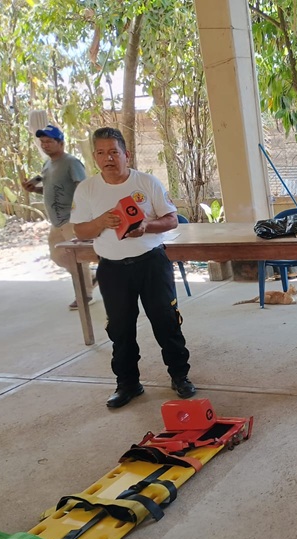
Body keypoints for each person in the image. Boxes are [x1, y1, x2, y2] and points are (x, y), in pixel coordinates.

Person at [71, 127, 196, 408]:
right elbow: (80, 230)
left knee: (166, 322)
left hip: (151, 264)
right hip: (112, 270)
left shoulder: (147, 182)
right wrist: (101, 222)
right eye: (101, 153)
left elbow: (171, 219)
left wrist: (146, 226)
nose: (108, 158)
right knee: (120, 329)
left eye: (113, 152)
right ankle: (127, 384)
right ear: (95, 157)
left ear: (126, 154)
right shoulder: (87, 189)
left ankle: (180, 376)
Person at [21, 125, 94, 310]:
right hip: (56, 221)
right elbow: (52, 190)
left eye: (49, 141)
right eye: (42, 142)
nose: (45, 145)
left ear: (61, 143)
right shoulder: (47, 165)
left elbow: (82, 187)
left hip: (72, 220)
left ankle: (84, 294)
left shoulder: (71, 162)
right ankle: (92, 278)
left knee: (77, 256)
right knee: (58, 256)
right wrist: (34, 189)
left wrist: (82, 212)